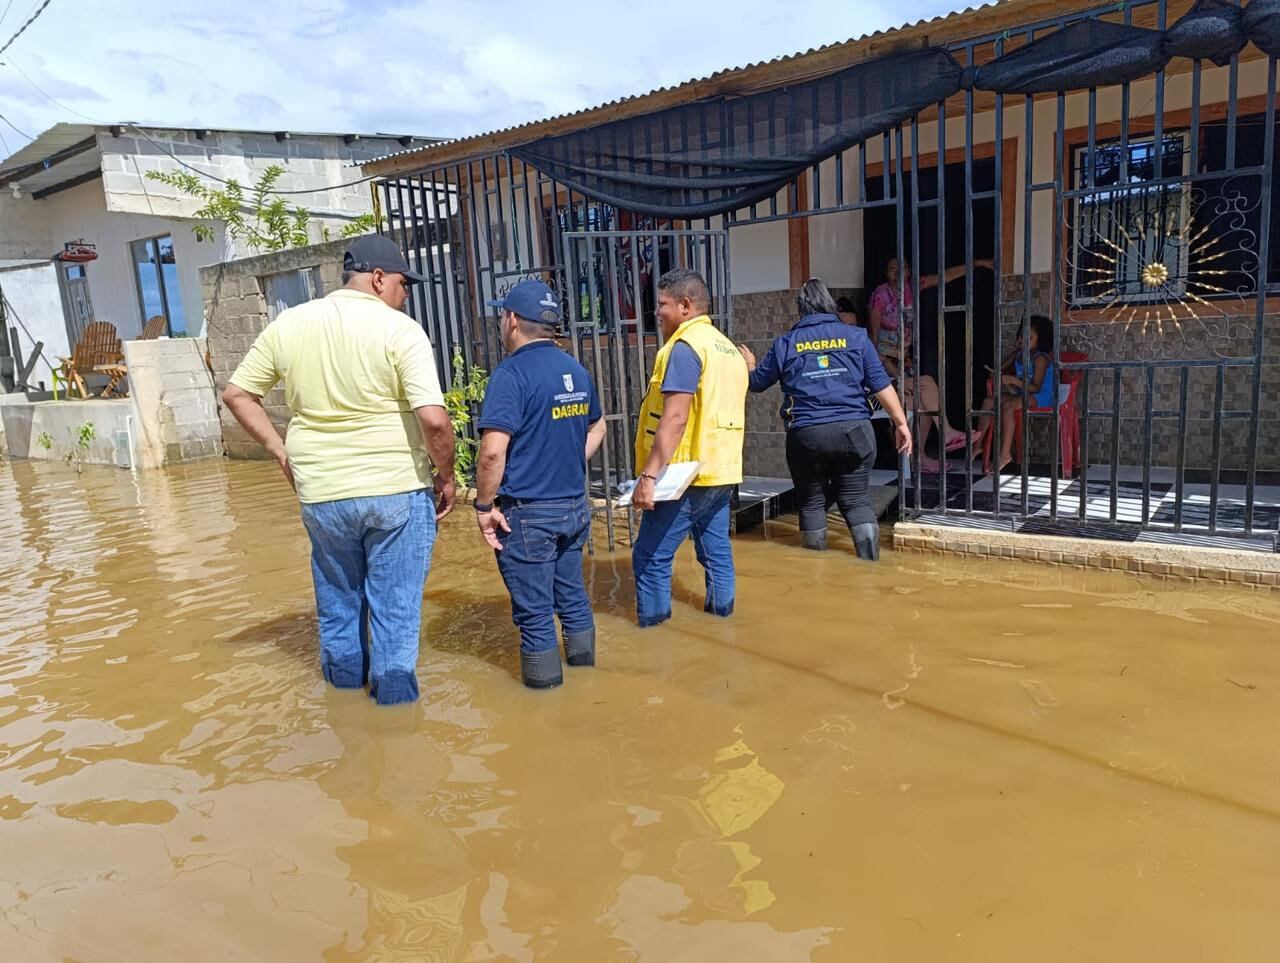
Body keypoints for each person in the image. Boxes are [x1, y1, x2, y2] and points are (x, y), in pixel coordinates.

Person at [222, 235, 456, 706]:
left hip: (322, 492)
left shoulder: (289, 324)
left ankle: (345, 716)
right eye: (402, 283)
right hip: (395, 490)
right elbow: (433, 420)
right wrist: (446, 475)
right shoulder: (401, 330)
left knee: (338, 605)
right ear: (377, 279)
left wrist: (281, 452)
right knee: (395, 609)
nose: (406, 293)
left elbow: (236, 395)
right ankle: (395, 721)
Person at [473, 279, 607, 689]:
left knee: (534, 615)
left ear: (512, 320)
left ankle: (548, 709)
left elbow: (492, 452)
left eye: (502, 315)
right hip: (573, 508)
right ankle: (587, 684)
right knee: (572, 599)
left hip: (527, 515)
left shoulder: (510, 375)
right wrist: (567, 458)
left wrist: (483, 506)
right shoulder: (576, 370)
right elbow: (598, 426)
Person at [738, 278, 913, 560]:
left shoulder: (786, 343)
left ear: (801, 309)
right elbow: (881, 384)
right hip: (855, 431)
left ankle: (816, 571)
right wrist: (901, 423)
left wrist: (750, 366)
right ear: (829, 305)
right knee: (856, 502)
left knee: (812, 503)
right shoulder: (856, 337)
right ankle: (870, 566)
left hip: (807, 436)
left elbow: (756, 383)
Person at [630, 268, 748, 628]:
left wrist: (649, 475)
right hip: (721, 472)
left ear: (685, 305)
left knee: (649, 557)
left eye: (662, 304)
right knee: (716, 555)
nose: (657, 313)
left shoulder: (684, 348)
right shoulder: (726, 347)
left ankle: (655, 640)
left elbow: (676, 417)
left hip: (684, 476)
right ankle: (722, 625)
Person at [867, 257, 990, 471]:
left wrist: (978, 263)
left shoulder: (913, 286)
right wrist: (897, 376)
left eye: (902, 268)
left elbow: (946, 277)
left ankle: (924, 453)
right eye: (892, 269)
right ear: (886, 273)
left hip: (903, 366)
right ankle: (945, 435)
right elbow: (873, 342)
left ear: (909, 271)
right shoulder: (880, 295)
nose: (897, 273)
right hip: (882, 373)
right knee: (925, 387)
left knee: (924, 400)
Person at [975, 315, 1057, 473]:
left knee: (1008, 406)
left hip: (1041, 396)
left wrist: (1013, 380)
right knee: (988, 401)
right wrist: (996, 374)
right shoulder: (1017, 355)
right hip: (1023, 395)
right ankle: (977, 445)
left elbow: (1036, 388)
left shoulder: (1041, 359)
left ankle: (1005, 454)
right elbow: (998, 370)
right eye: (1021, 336)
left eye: (1029, 337)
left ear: (1041, 340)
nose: (1023, 340)